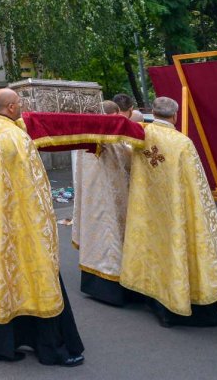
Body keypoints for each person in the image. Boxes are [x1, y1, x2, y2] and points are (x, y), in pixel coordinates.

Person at [0, 88, 84, 366]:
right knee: (36, 282)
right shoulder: (17, 138)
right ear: (11, 107)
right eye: (19, 103)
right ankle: (50, 349)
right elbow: (35, 189)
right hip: (21, 227)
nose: (21, 107)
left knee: (2, 283)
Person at [119, 97, 217, 327]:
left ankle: (157, 303)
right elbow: (196, 186)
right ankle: (183, 306)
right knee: (177, 250)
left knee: (156, 252)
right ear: (175, 115)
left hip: (149, 208)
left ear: (153, 112)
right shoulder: (182, 143)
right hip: (177, 211)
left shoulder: (141, 135)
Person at [72, 98, 134, 305]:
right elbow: (128, 160)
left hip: (91, 199)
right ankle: (113, 289)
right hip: (109, 199)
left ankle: (95, 286)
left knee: (95, 239)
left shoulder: (85, 135)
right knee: (111, 239)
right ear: (115, 116)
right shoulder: (112, 137)